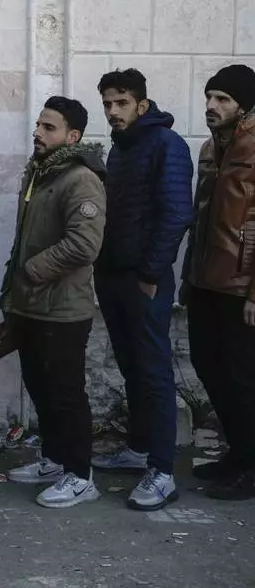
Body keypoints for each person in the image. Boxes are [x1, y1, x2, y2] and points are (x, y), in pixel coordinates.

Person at [0, 97, 106, 509]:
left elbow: (84, 244)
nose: (38, 132)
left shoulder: (81, 180)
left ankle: (80, 475)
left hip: (63, 309)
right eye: (38, 124)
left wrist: (32, 270)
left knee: (66, 394)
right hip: (31, 306)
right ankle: (56, 460)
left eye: (49, 127)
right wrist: (13, 292)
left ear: (72, 136)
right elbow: (24, 241)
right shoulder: (40, 174)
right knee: (41, 388)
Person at [92, 68, 193, 511]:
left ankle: (163, 471)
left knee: (153, 372)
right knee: (132, 365)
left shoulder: (167, 145)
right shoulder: (120, 148)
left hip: (144, 278)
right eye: (108, 104)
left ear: (142, 104)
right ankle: (138, 449)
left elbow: (175, 214)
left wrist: (151, 273)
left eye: (121, 103)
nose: (113, 111)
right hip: (113, 273)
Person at [181, 64, 255, 502]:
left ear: (243, 105)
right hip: (207, 279)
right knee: (210, 367)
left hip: (241, 285)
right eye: (210, 97)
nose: (211, 106)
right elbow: (201, 220)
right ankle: (238, 454)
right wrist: (191, 277)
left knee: (244, 378)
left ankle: (250, 466)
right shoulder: (211, 147)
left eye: (223, 99)